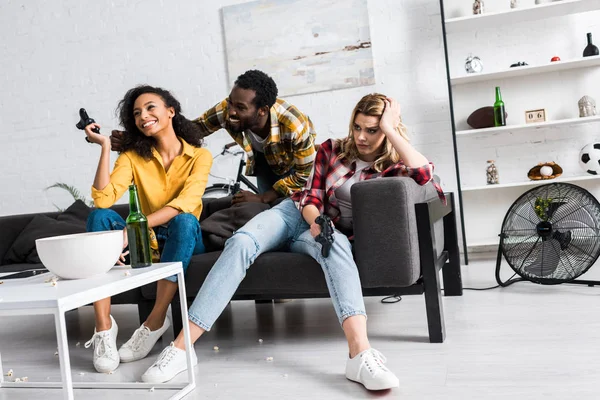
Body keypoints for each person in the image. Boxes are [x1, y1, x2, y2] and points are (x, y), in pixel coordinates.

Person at [140, 93, 445, 390]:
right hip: (296, 214)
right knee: (242, 242)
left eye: (372, 130)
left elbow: (425, 175)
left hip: (327, 232)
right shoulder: (332, 149)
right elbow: (310, 195)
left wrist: (390, 130)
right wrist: (316, 221)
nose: (362, 136)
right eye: (357, 127)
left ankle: (360, 355)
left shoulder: (394, 164)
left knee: (336, 246)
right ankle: (181, 349)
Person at [83, 85, 213, 374]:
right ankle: (104, 327)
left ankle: (155, 320)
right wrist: (105, 146)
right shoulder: (132, 157)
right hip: (146, 242)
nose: (144, 116)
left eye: (151, 107)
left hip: (184, 236)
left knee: (184, 220)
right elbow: (103, 198)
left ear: (170, 111)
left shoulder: (199, 157)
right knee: (99, 217)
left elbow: (185, 204)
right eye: (137, 113)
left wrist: (129, 230)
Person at [111, 70, 317, 205]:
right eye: (231, 102)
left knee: (294, 206)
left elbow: (303, 175)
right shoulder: (227, 109)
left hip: (294, 164)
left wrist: (262, 197)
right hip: (264, 160)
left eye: (241, 108)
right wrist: (135, 137)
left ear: (262, 111)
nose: (231, 112)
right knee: (272, 210)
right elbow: (192, 130)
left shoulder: (293, 125)